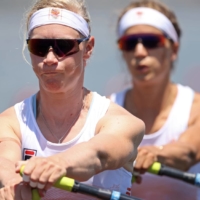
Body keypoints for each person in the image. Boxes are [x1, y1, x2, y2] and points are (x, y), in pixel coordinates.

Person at [0, 0, 145, 199]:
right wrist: (13, 183)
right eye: (39, 46)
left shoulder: (123, 123)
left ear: (88, 48)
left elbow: (97, 155)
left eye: (64, 46)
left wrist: (58, 164)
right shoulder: (9, 122)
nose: (50, 59)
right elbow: (5, 161)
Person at [109, 0, 200, 199]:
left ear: (173, 50)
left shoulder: (196, 109)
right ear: (122, 52)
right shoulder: (105, 110)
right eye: (130, 43)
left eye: (151, 41)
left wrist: (155, 154)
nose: (140, 52)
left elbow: (188, 153)